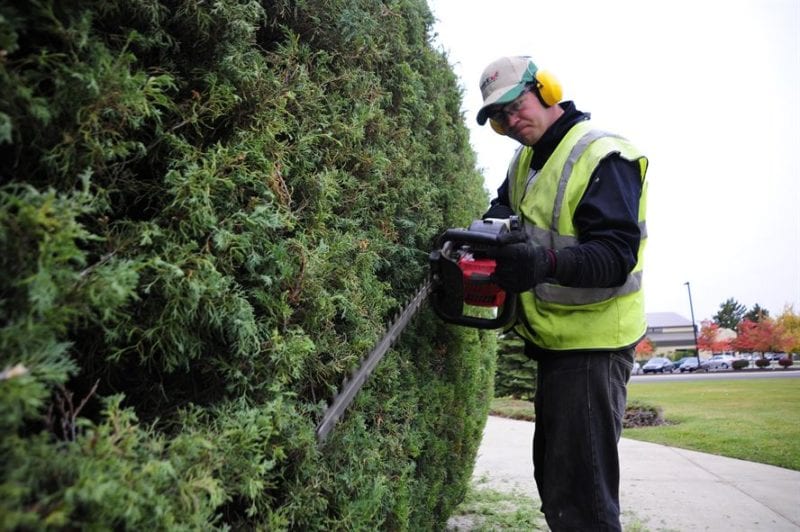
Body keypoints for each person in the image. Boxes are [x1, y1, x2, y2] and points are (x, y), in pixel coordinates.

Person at [477, 56, 649, 531]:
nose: (511, 122)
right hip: (556, 348)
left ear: (547, 90)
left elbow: (615, 256)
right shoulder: (527, 160)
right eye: (499, 117)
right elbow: (504, 207)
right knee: (557, 484)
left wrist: (542, 263)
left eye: (516, 106)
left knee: (582, 501)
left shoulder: (603, 155)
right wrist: (483, 233)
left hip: (593, 347)